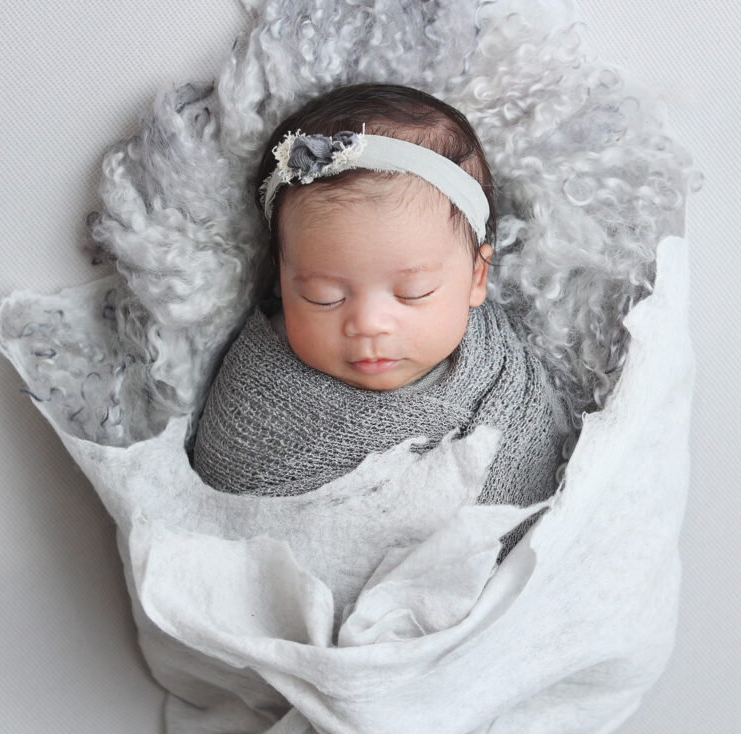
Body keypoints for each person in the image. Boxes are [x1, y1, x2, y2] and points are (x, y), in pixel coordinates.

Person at [193, 83, 569, 561]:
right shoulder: (257, 399)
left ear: (477, 278)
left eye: (413, 293)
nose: (368, 325)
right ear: (280, 282)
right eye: (322, 297)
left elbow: (543, 494)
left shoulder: (503, 379)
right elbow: (226, 513)